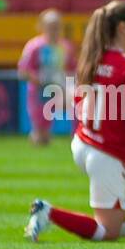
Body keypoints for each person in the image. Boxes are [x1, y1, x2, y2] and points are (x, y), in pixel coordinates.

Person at [25, 0, 125, 242]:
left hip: (83, 144)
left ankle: (118, 218)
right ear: (123, 28)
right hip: (105, 154)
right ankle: (48, 212)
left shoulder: (92, 59)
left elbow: (77, 97)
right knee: (106, 232)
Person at [17, 8, 75, 146]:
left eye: (57, 27)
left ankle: (78, 138)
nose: (54, 30)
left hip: (61, 89)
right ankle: (39, 135)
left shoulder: (66, 47)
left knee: (78, 104)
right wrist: (41, 80)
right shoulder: (34, 47)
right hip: (40, 91)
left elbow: (73, 69)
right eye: (51, 27)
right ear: (42, 27)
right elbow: (23, 71)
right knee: (42, 138)